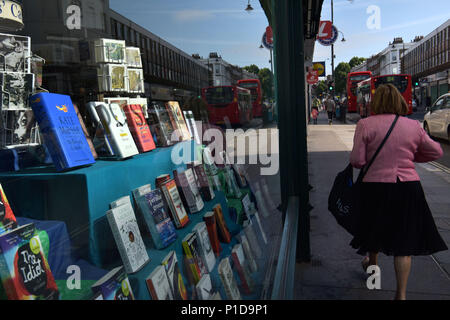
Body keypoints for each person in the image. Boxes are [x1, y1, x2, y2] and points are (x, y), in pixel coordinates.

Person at [349, 84, 447, 300]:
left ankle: (373, 277)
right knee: (404, 242)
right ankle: (401, 295)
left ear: (376, 103)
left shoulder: (365, 124)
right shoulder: (413, 126)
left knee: (372, 233)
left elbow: (357, 161)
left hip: (374, 187)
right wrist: (411, 158)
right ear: (399, 101)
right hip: (407, 188)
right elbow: (436, 151)